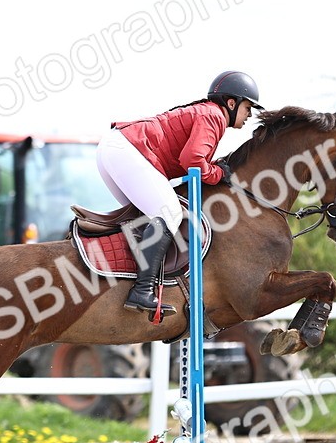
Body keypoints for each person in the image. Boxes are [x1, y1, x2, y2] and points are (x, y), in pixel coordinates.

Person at [96, 70, 263, 316]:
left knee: (146, 219)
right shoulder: (214, 115)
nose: (249, 114)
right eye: (248, 107)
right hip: (126, 151)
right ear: (231, 103)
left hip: (113, 150)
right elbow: (193, 160)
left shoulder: (207, 112)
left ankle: (125, 280)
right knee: (170, 213)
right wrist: (218, 173)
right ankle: (142, 291)